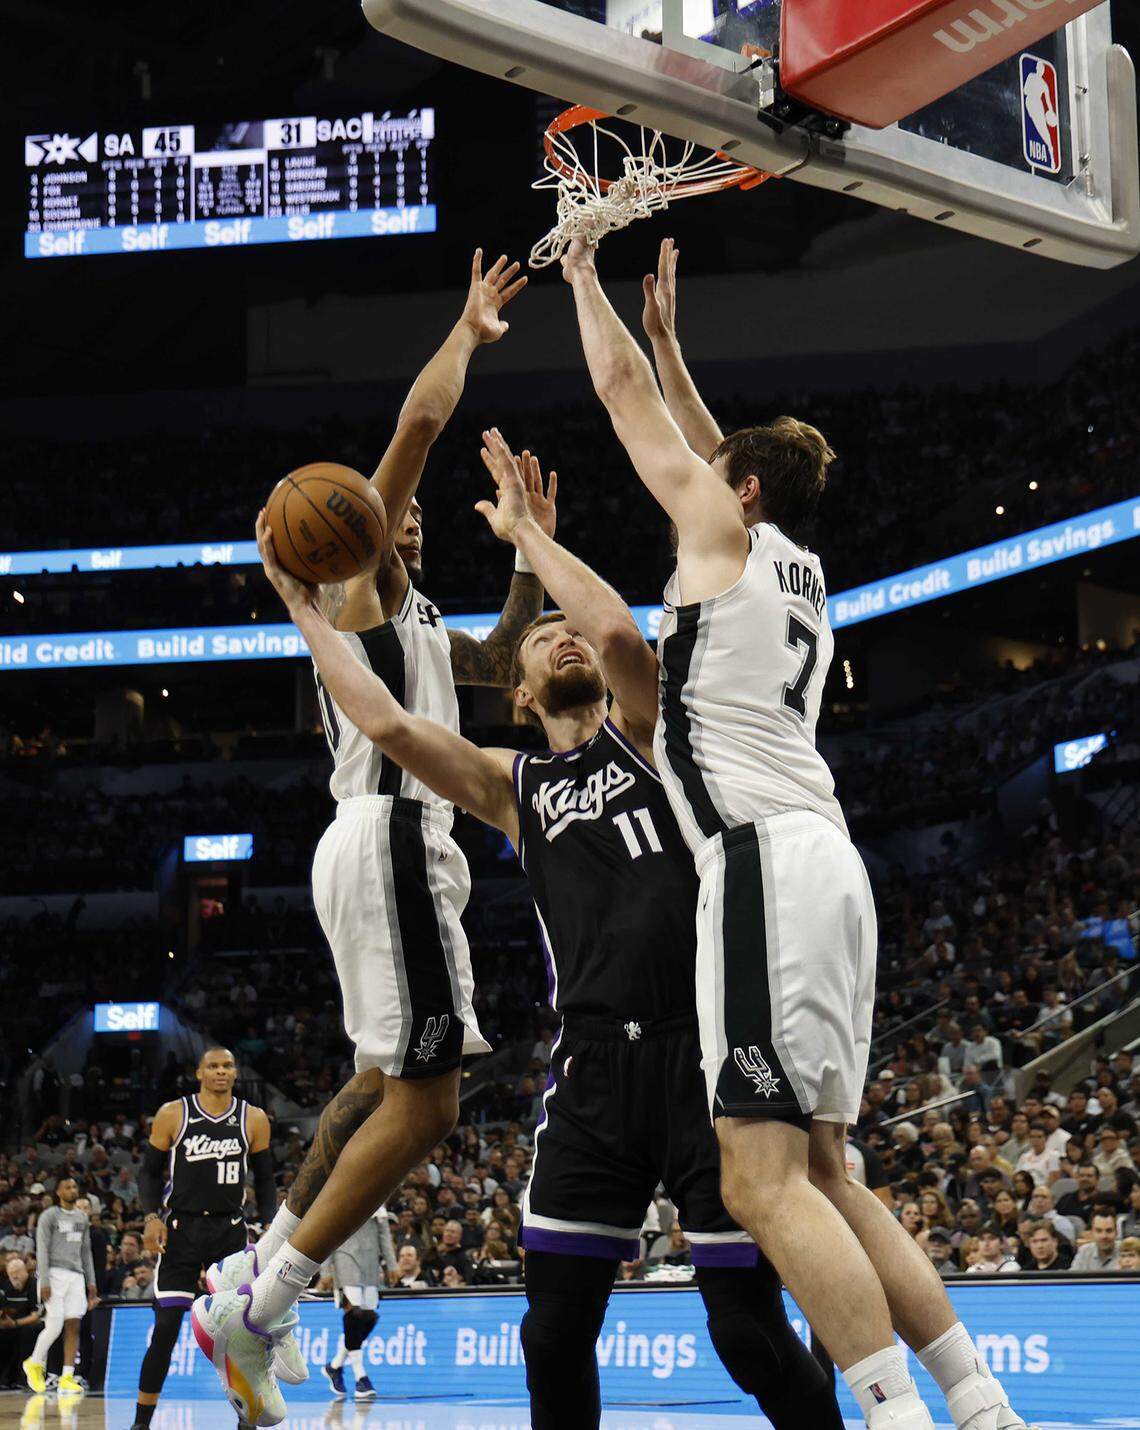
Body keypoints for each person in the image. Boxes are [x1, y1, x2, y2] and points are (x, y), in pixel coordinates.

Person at [245, 434, 844, 1430]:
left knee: (746, 1333)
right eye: (539, 638)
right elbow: (390, 725)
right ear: (517, 695)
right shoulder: (514, 784)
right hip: (596, 1075)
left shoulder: (659, 731)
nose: (563, 637)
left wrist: (532, 545)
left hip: (708, 1058)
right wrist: (308, 614)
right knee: (552, 1339)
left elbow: (621, 640)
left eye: (570, 633)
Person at [558, 232, 1036, 1430]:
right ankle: (977, 1405)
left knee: (758, 1177)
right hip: (828, 863)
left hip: (763, 863)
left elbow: (621, 402)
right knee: (826, 1170)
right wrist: (674, 344)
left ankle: (893, 1414)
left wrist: (582, 275)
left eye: (719, 471)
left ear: (743, 491)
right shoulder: (792, 562)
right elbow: (724, 450)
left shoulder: (727, 534)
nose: (700, 478)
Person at [195, 253, 536, 1429]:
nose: (409, 517)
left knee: (384, 1085)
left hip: (385, 839)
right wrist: (464, 330)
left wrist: (533, 559)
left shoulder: (421, 619)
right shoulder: (362, 591)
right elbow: (421, 422)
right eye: (392, 515)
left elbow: (495, 665)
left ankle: (257, 1271)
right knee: (433, 1105)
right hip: (391, 834)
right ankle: (268, 1304)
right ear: (354, 536)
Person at [131, 1047, 275, 1430]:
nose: (221, 1071)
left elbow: (264, 1179)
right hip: (181, 1230)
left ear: (235, 1072)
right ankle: (141, 1422)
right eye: (213, 1066)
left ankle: (247, 1420)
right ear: (200, 1072)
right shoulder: (173, 1113)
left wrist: (272, 1228)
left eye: (227, 1065)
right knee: (165, 1330)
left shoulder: (254, 1118)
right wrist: (150, 1217)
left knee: (241, 1335)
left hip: (229, 1232)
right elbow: (147, 1173)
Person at [23, 1177, 96, 1397]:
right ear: (58, 1192)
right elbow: (42, 1250)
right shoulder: (49, 1216)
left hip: (76, 1275)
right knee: (54, 1326)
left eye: (75, 1186)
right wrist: (43, 1280)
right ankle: (34, 1363)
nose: (73, 1190)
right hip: (53, 1273)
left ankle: (66, 1377)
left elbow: (86, 1252)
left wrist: (91, 1281)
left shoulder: (82, 1218)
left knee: (74, 1325)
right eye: (68, 1187)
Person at [323, 1209, 387, 1403]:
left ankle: (334, 1367)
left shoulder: (381, 1197)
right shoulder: (344, 1193)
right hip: (345, 1262)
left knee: (369, 1317)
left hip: (370, 1266)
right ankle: (361, 1379)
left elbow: (385, 1235)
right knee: (354, 1315)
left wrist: (391, 1265)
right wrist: (325, 1269)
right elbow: (327, 1233)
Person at [0, 1256, 41, 1389]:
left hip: (30, 1324)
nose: (14, 1276)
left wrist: (16, 1323)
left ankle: (24, 1379)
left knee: (27, 1332)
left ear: (25, 1271)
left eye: (17, 1272)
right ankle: (4, 1379)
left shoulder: (34, 1285)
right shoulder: (6, 1286)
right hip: (11, 1323)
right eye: (11, 1273)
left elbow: (37, 1316)